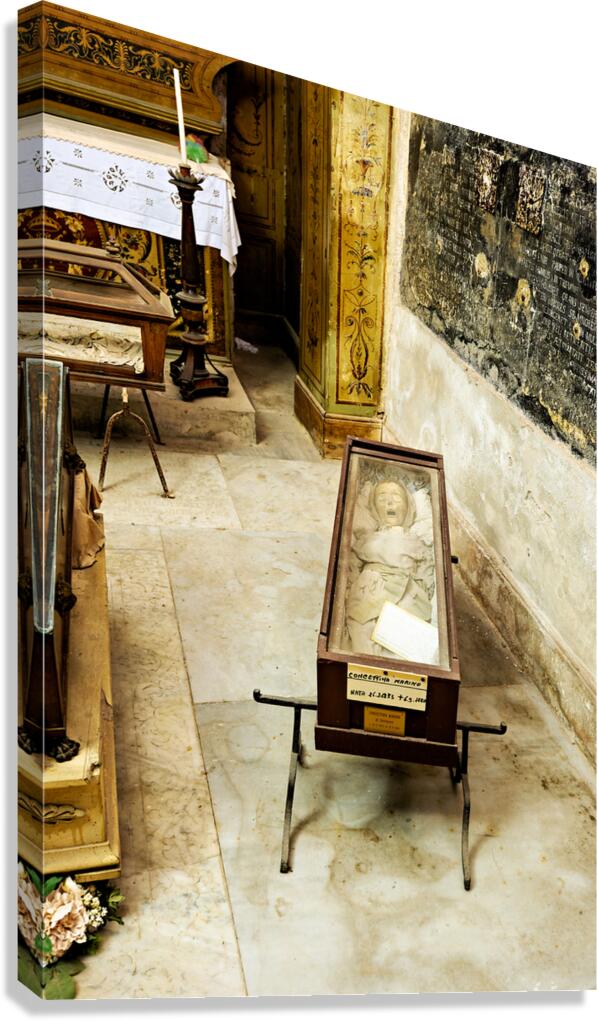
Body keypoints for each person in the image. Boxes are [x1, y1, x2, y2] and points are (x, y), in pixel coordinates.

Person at [345, 477, 436, 655]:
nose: (389, 501)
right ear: (374, 509)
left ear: (408, 507)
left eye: (397, 497)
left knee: (404, 648)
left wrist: (421, 590)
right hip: (370, 590)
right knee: (362, 640)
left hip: (407, 592)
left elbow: (428, 569)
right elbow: (350, 566)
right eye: (381, 497)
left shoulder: (416, 539)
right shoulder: (368, 538)